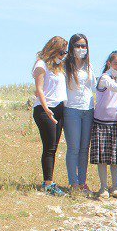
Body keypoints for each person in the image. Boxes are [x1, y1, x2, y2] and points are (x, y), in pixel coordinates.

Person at [90, 51, 117, 198]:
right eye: (116, 64)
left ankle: (115, 186)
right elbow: (110, 85)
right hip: (101, 122)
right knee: (102, 158)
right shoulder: (104, 78)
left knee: (115, 158)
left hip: (115, 122)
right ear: (109, 64)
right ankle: (103, 187)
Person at [32, 35, 68, 196]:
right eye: (61, 52)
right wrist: (47, 110)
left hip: (59, 108)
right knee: (49, 146)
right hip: (45, 109)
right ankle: (48, 183)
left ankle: (49, 180)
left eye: (64, 53)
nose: (63, 56)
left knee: (54, 147)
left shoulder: (58, 67)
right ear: (53, 50)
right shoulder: (41, 65)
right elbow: (39, 89)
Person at [63, 33, 95, 194]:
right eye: (78, 46)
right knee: (73, 147)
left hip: (87, 109)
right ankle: (73, 182)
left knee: (84, 148)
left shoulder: (89, 66)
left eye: (84, 46)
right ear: (71, 48)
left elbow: (94, 87)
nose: (81, 49)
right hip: (72, 109)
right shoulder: (65, 66)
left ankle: (83, 182)